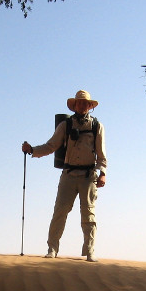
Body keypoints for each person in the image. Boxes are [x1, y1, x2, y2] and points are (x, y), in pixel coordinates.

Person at [22, 90, 107, 262]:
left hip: (89, 176)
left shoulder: (97, 126)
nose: (82, 105)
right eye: (79, 103)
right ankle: (52, 249)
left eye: (85, 103)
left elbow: (101, 153)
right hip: (68, 175)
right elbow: (51, 145)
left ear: (90, 106)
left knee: (88, 215)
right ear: (75, 105)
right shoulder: (65, 125)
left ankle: (90, 251)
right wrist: (32, 150)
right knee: (60, 212)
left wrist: (103, 173)